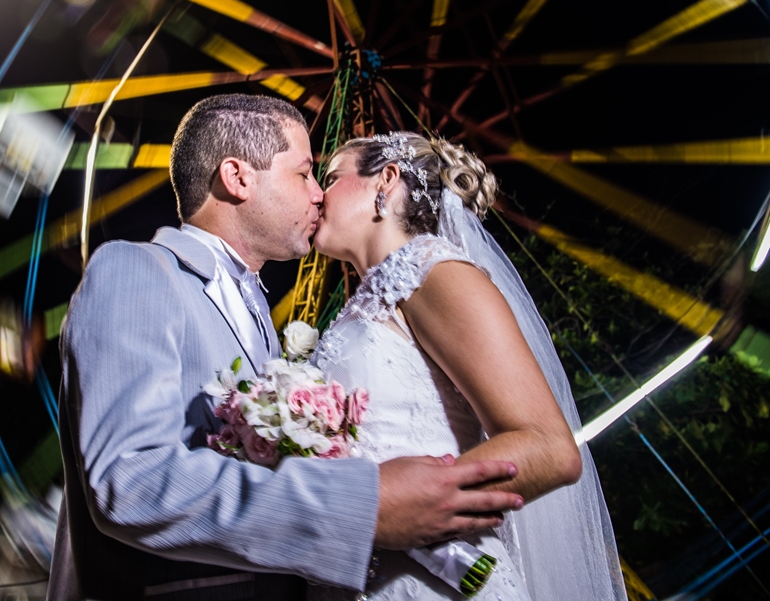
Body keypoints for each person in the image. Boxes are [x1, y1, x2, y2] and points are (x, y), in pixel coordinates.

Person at [48, 96, 525, 600]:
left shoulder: (261, 314)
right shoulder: (136, 270)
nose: (319, 195)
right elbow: (130, 478)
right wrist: (361, 506)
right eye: (304, 174)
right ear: (238, 178)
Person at [309, 132, 628, 600]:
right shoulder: (366, 301)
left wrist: (389, 505)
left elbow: (548, 448)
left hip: (442, 582)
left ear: (387, 180)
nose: (317, 194)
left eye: (332, 178)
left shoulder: (433, 272)